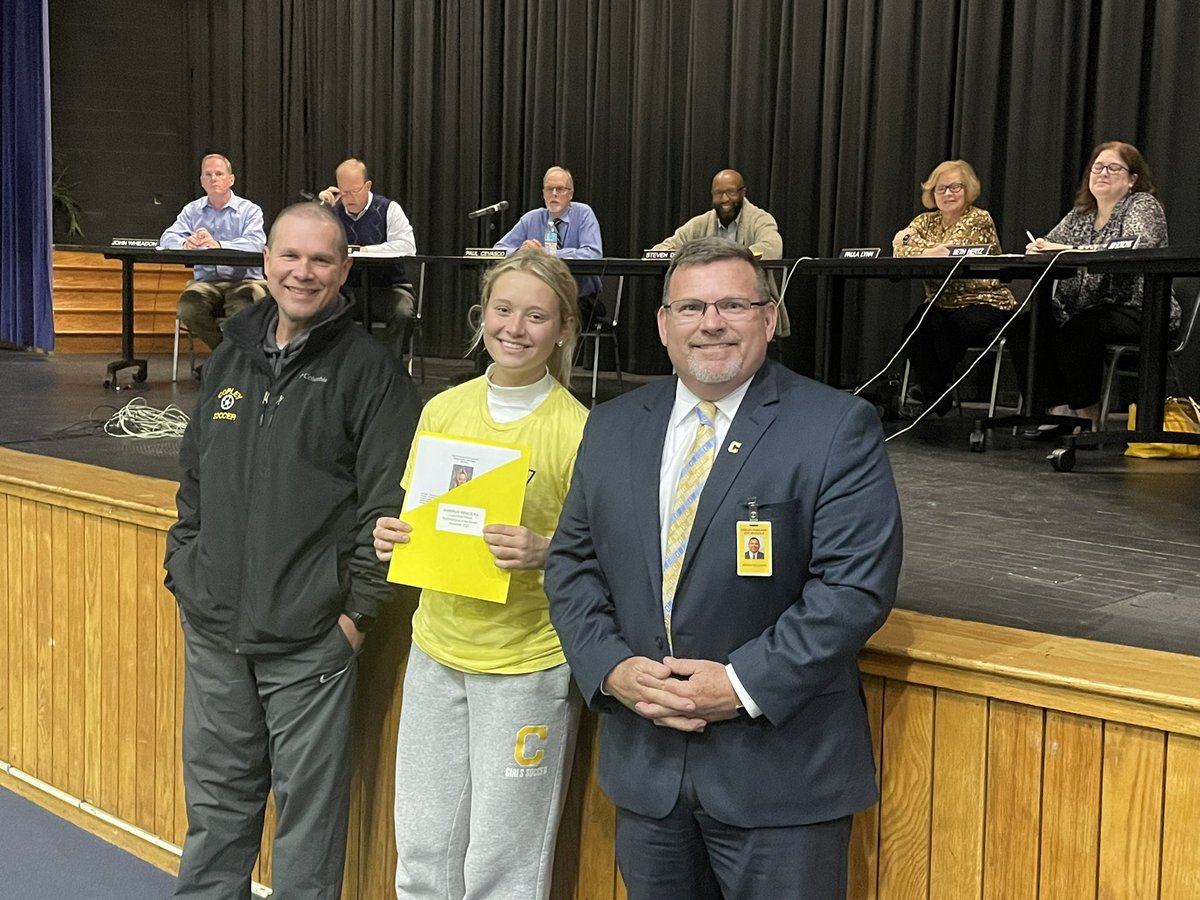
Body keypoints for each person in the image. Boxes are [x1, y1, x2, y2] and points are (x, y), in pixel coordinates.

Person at [544, 237, 903, 899]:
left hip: (779, 781)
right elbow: (572, 565)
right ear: (662, 324)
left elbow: (853, 589)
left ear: (769, 318)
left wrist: (740, 685)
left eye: (733, 304)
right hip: (647, 774)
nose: (711, 322)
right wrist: (610, 668)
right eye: (691, 307)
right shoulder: (613, 426)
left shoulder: (835, 427)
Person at [164, 202, 422, 898]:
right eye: (290, 256)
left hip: (311, 644)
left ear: (343, 270)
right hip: (215, 632)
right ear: (267, 262)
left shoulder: (371, 374)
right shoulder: (229, 360)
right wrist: (183, 567)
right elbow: (194, 480)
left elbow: (389, 511)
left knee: (307, 828)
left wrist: (354, 621)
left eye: (320, 260)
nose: (302, 272)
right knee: (215, 812)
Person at [372, 249, 589, 899]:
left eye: (535, 315)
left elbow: (605, 553)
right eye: (503, 309)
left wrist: (547, 550)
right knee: (422, 851)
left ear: (562, 330)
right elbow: (417, 520)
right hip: (437, 653)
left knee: (503, 866)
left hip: (526, 667)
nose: (515, 328)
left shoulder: (578, 430)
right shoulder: (444, 411)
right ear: (482, 315)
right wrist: (392, 535)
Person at [1021, 141, 1178, 433]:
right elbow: (1049, 246)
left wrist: (1066, 248)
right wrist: (1039, 247)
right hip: (1087, 307)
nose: (1102, 173)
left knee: (1081, 329)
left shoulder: (1142, 206)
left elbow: (1135, 246)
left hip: (1141, 308)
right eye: (1097, 167)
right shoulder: (1080, 215)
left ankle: (1087, 416)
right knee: (1026, 326)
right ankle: (1059, 409)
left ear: (1132, 179)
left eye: (1113, 168)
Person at [891, 160, 1016, 415]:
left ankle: (933, 395)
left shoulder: (979, 218)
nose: (948, 194)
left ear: (967, 190)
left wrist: (917, 247)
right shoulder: (926, 221)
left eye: (955, 187)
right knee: (914, 331)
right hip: (941, 302)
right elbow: (898, 249)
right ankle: (938, 398)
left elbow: (947, 252)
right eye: (941, 188)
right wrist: (925, 249)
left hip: (985, 301)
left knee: (950, 330)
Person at [652, 168, 791, 336]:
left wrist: (727, 258)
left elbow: (771, 247)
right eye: (718, 194)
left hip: (747, 304)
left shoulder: (759, 219)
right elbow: (661, 250)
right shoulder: (700, 223)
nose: (725, 199)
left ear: (743, 192)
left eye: (731, 192)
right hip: (706, 305)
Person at [159, 153, 268, 357]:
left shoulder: (250, 211)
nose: (213, 179)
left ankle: (227, 363)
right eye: (208, 174)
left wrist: (217, 245)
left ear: (231, 179)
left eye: (219, 173)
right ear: (201, 181)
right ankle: (225, 359)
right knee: (188, 308)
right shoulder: (192, 211)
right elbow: (166, 238)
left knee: (243, 308)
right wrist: (185, 243)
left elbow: (256, 244)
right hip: (207, 283)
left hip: (245, 281)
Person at [318, 158, 418, 362]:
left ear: (367, 186)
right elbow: (312, 245)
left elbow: (407, 247)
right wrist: (320, 208)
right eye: (343, 192)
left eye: (353, 191)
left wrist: (363, 250)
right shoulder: (331, 212)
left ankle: (389, 369)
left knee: (403, 312)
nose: (348, 198)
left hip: (388, 289)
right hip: (346, 290)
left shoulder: (389, 209)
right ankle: (330, 369)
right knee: (314, 305)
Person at [494, 165, 604, 328]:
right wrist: (521, 252)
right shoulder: (531, 218)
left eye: (560, 189)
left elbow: (593, 253)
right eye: (549, 189)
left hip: (579, 297)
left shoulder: (583, 214)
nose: (554, 194)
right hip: (536, 296)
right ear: (543, 193)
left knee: (549, 314)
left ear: (570, 194)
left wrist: (546, 254)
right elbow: (499, 249)